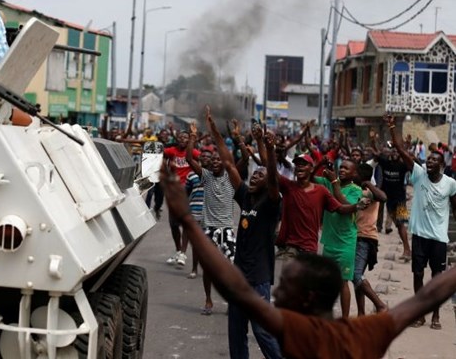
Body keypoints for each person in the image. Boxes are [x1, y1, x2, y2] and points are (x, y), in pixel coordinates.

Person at [160, 160, 456, 359]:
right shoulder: (363, 335)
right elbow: (427, 296)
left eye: (286, 286)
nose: (276, 291)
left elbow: (235, 288)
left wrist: (186, 218)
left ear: (308, 297)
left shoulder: (296, 334)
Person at [385, 114, 456, 330]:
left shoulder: (450, 184)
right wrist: (392, 130)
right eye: (428, 160)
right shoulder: (418, 174)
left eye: (435, 160)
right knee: (418, 274)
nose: (429, 163)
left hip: (439, 237)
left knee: (436, 278)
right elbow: (401, 151)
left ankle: (435, 314)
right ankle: (420, 313)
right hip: (419, 235)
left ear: (441, 165)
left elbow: (455, 207)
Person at [228, 128, 282, 359]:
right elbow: (230, 167)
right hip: (239, 277)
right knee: (236, 331)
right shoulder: (245, 196)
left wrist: (268, 147)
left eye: (259, 176)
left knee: (261, 331)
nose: (254, 177)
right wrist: (235, 139)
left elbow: (272, 178)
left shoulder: (271, 203)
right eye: (253, 174)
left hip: (258, 277)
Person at [186, 108, 238, 316]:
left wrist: (216, 129)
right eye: (213, 161)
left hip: (227, 229)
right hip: (208, 229)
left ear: (225, 165)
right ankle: (208, 300)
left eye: (220, 161)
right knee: (208, 268)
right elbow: (190, 159)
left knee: (231, 268)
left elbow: (226, 152)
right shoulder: (206, 177)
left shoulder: (231, 178)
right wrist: (192, 136)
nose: (216, 162)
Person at [314, 159, 366, 318]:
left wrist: (334, 181)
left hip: (346, 243)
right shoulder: (327, 183)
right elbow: (309, 177)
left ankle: (344, 319)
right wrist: (320, 164)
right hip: (329, 241)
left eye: (346, 168)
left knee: (343, 282)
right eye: (340, 167)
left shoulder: (356, 190)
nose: (342, 170)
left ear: (354, 173)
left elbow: (344, 206)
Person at [353, 163, 389, 315]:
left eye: (354, 173)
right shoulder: (354, 190)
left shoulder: (369, 191)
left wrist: (368, 183)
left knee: (356, 275)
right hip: (356, 236)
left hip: (365, 237)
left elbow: (383, 197)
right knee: (356, 276)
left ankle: (380, 305)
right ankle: (361, 312)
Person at [163, 130, 199, 266]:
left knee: (185, 222)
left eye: (185, 137)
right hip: (173, 190)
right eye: (180, 137)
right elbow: (159, 154)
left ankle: (183, 253)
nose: (182, 139)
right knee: (173, 224)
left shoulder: (193, 153)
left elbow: (202, 162)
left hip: (188, 191)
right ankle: (178, 251)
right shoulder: (171, 151)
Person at [184, 146, 213, 278]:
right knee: (196, 245)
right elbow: (186, 193)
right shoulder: (191, 175)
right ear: (199, 158)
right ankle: (194, 268)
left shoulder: (216, 175)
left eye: (209, 157)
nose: (206, 158)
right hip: (195, 214)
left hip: (211, 215)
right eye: (204, 156)